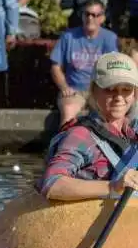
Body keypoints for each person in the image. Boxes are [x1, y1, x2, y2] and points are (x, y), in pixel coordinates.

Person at [41, 52, 138, 201]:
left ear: (134, 94)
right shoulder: (81, 135)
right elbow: (52, 184)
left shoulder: (132, 133)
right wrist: (113, 186)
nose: (119, 97)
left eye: (126, 90)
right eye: (110, 89)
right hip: (89, 219)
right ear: (94, 90)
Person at [50, 0, 119, 125]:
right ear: (82, 16)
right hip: (75, 90)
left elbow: (113, 67)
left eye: (95, 15)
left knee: (108, 115)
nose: (90, 18)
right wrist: (65, 87)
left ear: (102, 18)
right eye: (87, 14)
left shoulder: (110, 38)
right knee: (68, 109)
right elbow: (55, 67)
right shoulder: (68, 36)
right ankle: (63, 143)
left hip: (99, 89)